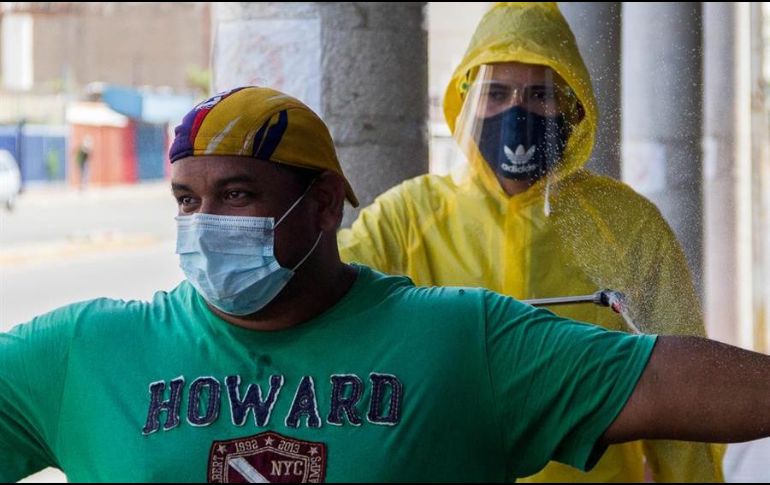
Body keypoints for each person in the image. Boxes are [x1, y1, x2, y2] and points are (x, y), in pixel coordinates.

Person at [1, 86, 768, 484]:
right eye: (186, 200)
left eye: (237, 194)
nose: (204, 224)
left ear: (324, 205)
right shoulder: (84, 351)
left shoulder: (460, 340)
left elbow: (658, 378)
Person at [338, 3, 722, 481]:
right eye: (495, 92)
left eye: (541, 94)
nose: (516, 111)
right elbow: (325, 299)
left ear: (573, 106)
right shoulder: (407, 219)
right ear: (466, 100)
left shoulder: (625, 225)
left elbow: (680, 390)